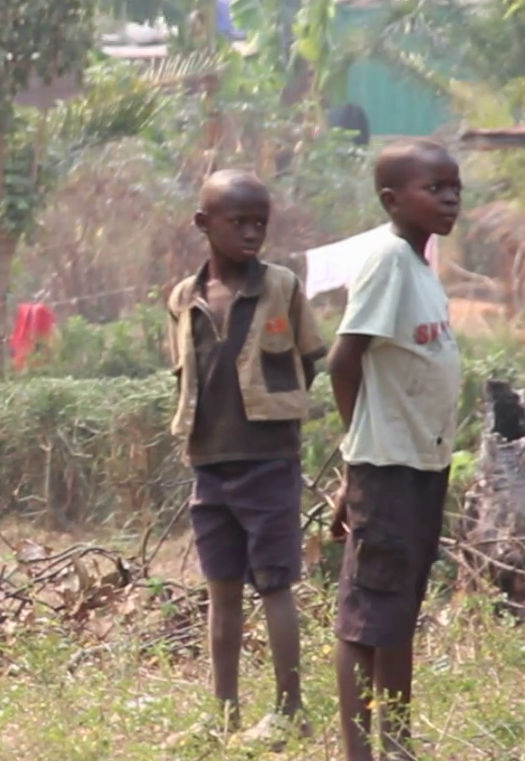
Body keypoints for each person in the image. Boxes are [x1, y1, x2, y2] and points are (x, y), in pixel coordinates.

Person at [163, 169, 326, 746]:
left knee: (275, 584)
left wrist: (272, 412)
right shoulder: (183, 298)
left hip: (268, 461)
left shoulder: (282, 287)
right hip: (209, 462)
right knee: (222, 588)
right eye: (239, 222)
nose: (253, 232)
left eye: (261, 222)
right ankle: (223, 714)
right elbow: (185, 373)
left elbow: (309, 360)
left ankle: (289, 709)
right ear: (204, 224)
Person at [327, 139, 462, 761]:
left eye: (455, 187)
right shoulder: (386, 260)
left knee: (397, 612)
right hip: (389, 467)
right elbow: (344, 360)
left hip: (419, 465)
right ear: (391, 199)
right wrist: (359, 452)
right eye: (434, 188)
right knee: (367, 618)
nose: (450, 198)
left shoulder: (420, 266)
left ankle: (399, 746)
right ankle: (362, 751)